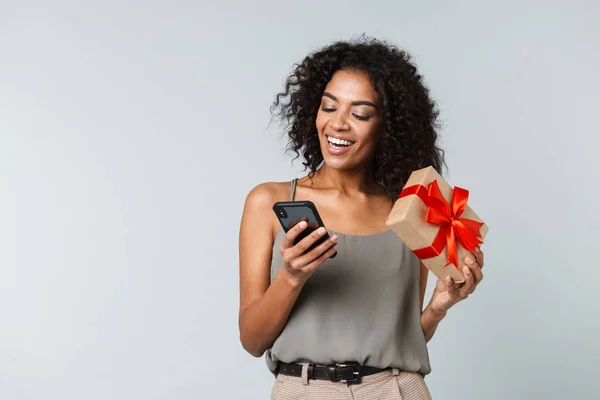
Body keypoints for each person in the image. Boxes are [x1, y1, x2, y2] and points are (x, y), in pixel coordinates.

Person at [238, 36, 485, 400]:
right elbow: (252, 340)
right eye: (328, 107)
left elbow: (400, 339)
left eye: (360, 114)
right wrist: (292, 276)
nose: (338, 124)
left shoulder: (407, 209)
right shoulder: (269, 201)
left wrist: (437, 307)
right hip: (306, 391)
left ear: (388, 125)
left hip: (398, 389)